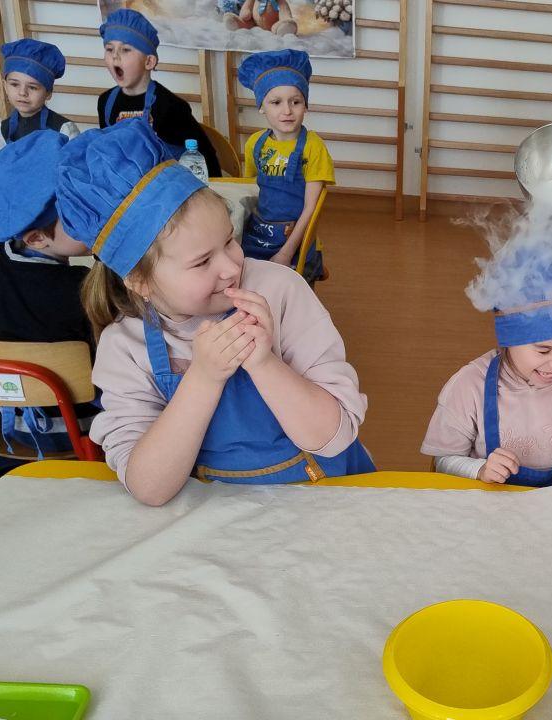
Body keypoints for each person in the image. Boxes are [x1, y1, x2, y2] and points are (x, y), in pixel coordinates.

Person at [57, 121, 373, 506]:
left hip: (323, 492)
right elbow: (150, 488)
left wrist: (264, 363)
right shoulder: (125, 347)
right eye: (202, 261)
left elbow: (333, 436)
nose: (230, 267)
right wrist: (204, 377)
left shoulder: (281, 291)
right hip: (217, 510)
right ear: (140, 281)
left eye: (229, 241)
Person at [422, 218, 552, 488]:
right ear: (509, 340)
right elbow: (444, 460)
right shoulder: (469, 385)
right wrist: (479, 469)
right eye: (543, 350)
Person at [0, 130, 95, 458]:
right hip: (77, 427)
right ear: (36, 239)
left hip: (2, 419)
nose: (93, 213)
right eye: (77, 213)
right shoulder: (81, 289)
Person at [237, 49, 336, 279]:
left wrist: (286, 253)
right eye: (276, 102)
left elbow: (310, 209)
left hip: (294, 238)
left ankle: (312, 266)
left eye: (296, 102)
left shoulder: (313, 147)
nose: (287, 111)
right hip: (261, 231)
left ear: (306, 105)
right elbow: (252, 190)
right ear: (261, 106)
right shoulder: (255, 143)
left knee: (288, 285)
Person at [95, 8, 220, 176]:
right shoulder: (105, 102)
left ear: (149, 61)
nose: (115, 57)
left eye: (125, 50)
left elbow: (206, 158)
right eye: (109, 49)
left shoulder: (171, 106)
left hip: (166, 185)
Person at [0, 39, 80, 146]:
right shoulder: (4, 129)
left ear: (48, 93)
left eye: (32, 87)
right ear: (5, 86)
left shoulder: (64, 129)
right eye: (15, 84)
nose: (22, 93)